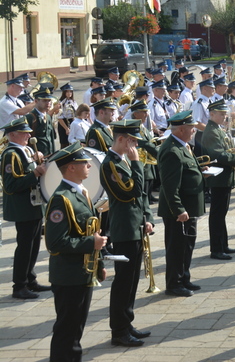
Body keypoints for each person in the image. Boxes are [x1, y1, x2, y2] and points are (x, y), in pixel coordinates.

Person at [44, 142, 107, 362]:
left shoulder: (81, 193)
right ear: (71, 167)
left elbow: (90, 230)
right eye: (84, 162)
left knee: (76, 328)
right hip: (69, 275)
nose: (89, 165)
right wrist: (91, 243)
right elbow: (55, 242)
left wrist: (99, 264)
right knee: (67, 330)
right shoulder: (61, 199)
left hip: (82, 272)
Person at [99, 120, 154, 347]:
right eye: (132, 141)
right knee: (123, 282)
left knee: (132, 280)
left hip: (135, 226)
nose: (136, 146)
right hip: (124, 230)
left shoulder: (121, 161)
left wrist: (147, 218)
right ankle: (119, 330)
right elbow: (134, 191)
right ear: (121, 139)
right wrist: (136, 163)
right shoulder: (110, 165)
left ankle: (127, 322)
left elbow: (141, 197)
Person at [157, 111, 204, 297]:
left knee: (187, 246)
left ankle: (184, 278)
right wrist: (178, 209)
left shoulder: (182, 146)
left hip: (188, 207)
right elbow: (170, 186)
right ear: (181, 129)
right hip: (179, 211)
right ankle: (174, 284)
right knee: (177, 248)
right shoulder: (172, 151)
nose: (194, 130)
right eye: (191, 127)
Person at [2, 117, 49, 300]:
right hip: (23, 208)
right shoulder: (11, 154)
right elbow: (11, 185)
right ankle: (19, 285)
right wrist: (35, 172)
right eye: (24, 133)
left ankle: (30, 279)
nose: (29, 135)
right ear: (13, 135)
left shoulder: (26, 150)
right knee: (25, 247)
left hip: (33, 206)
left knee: (34, 245)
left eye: (28, 132)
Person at [201, 99, 235, 260]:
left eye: (225, 114)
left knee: (221, 213)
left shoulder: (218, 129)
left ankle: (223, 244)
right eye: (221, 114)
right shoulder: (211, 131)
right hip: (218, 177)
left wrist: (233, 150)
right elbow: (218, 154)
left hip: (224, 176)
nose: (224, 117)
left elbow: (224, 149)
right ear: (212, 114)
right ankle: (216, 249)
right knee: (217, 214)